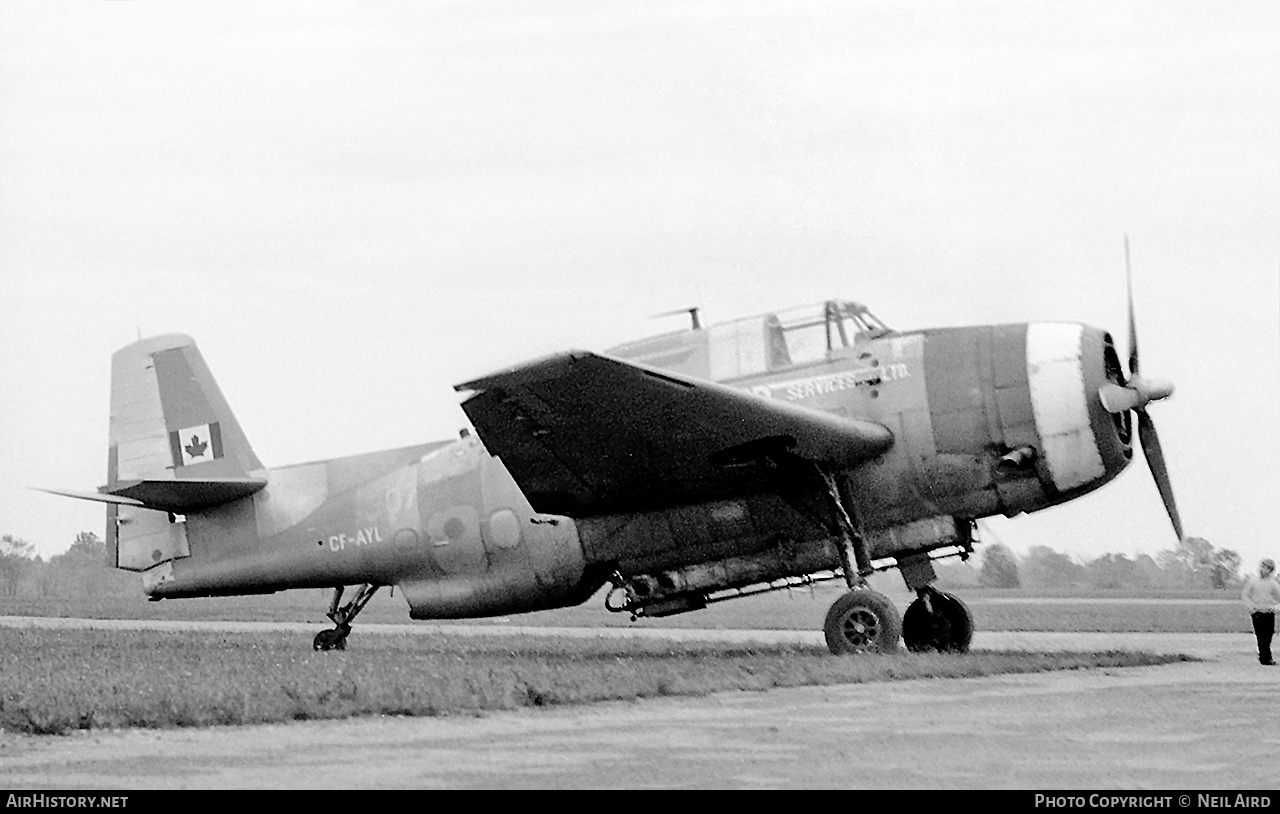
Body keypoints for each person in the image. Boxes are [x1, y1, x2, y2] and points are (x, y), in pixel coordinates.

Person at [1241, 559, 1280, 665]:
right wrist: (1251, 608)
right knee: (1260, 635)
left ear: (1270, 571)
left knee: (1268, 635)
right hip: (1257, 613)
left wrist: (1275, 607)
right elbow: (1245, 595)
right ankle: (1265, 657)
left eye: (1266, 568)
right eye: (1262, 567)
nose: (1263, 570)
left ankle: (1265, 655)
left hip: (1268, 613)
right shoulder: (1253, 581)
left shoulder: (1273, 584)